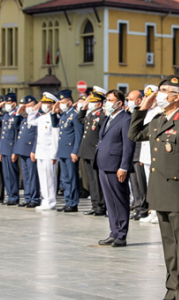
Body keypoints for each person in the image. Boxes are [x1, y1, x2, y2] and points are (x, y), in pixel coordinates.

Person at [129, 75, 179, 300]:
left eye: (163, 91)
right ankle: (172, 291)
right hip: (161, 191)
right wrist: (144, 107)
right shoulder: (158, 120)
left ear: (176, 96)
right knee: (169, 247)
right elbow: (134, 134)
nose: (158, 95)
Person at [96, 90, 135, 247]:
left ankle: (121, 234)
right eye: (107, 100)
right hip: (104, 165)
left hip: (116, 166)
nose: (107, 103)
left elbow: (128, 146)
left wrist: (124, 167)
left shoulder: (125, 119)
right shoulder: (109, 118)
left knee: (119, 200)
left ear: (119, 103)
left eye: (111, 100)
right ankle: (114, 231)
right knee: (110, 201)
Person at [27, 92, 60, 211]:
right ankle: (45, 200)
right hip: (40, 152)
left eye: (46, 103)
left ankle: (51, 201)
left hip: (49, 153)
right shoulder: (42, 117)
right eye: (43, 102)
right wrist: (36, 107)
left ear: (52, 105)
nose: (44, 105)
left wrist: (54, 155)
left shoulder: (55, 117)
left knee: (50, 178)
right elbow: (30, 121)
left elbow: (55, 137)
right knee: (42, 177)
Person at [78, 87, 107, 216]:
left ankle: (101, 206)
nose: (89, 104)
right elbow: (79, 120)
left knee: (97, 180)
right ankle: (95, 205)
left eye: (92, 102)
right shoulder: (90, 115)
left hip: (95, 152)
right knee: (91, 180)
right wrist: (83, 108)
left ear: (99, 104)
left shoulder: (102, 116)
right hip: (86, 152)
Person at [54, 89, 84, 212]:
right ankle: (68, 200)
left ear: (70, 102)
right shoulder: (64, 115)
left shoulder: (75, 115)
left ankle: (73, 202)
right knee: (65, 178)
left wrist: (75, 151)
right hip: (62, 151)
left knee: (72, 178)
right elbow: (54, 124)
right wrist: (53, 111)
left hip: (70, 151)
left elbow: (78, 134)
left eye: (63, 101)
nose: (61, 104)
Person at [138, 85, 163, 225]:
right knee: (149, 186)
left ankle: (158, 213)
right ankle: (152, 212)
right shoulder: (149, 111)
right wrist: (142, 157)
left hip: (155, 154)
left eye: (151, 97)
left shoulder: (160, 111)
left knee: (156, 185)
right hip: (146, 154)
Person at [126, 90, 149, 221]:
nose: (128, 101)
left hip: (139, 152)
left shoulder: (144, 114)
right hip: (131, 153)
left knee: (142, 183)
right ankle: (138, 206)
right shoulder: (130, 113)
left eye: (130, 99)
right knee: (134, 183)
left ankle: (144, 208)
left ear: (139, 101)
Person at [14, 95, 41, 208]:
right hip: (22, 150)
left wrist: (34, 150)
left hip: (31, 151)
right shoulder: (25, 118)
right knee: (25, 176)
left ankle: (34, 198)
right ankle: (27, 197)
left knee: (32, 175)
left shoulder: (37, 117)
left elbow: (37, 136)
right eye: (26, 106)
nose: (28, 107)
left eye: (30, 105)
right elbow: (15, 128)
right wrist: (18, 113)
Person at [0, 93, 22, 206]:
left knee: (12, 174)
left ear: (14, 104)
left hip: (11, 149)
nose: (6, 105)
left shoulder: (18, 116)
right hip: (4, 149)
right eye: (5, 103)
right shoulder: (5, 115)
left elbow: (17, 134)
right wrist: (0, 150)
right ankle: (9, 195)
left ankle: (14, 197)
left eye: (8, 103)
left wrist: (15, 151)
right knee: (6, 174)